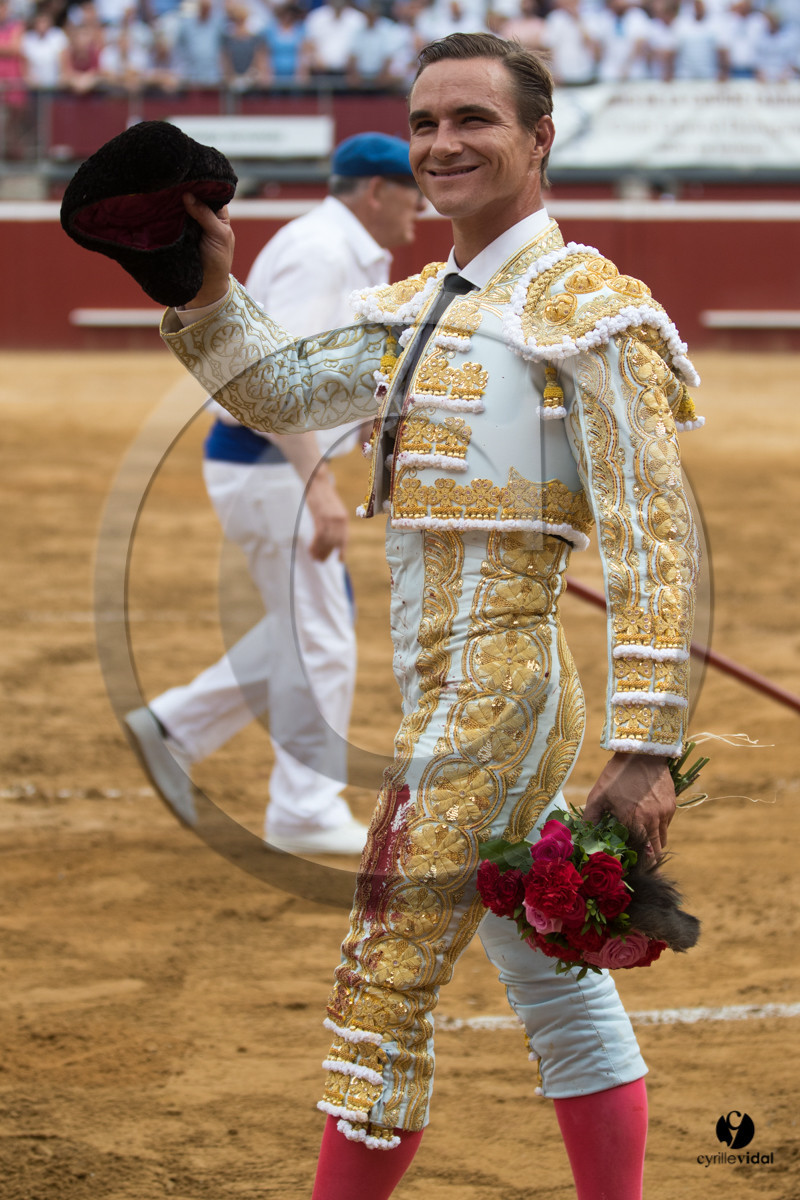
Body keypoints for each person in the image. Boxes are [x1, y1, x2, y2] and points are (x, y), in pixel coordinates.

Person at [157, 32, 702, 1199]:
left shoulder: (587, 307)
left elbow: (654, 542)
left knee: (383, 974)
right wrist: (207, 283)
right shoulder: (419, 303)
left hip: (499, 688)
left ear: (538, 140)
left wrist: (647, 741)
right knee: (547, 968)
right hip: (447, 681)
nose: (442, 144)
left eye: (473, 121)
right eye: (424, 126)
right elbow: (279, 392)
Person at [126, 132, 425, 856]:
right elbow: (271, 381)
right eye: (412, 189)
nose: (423, 206)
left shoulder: (337, 246)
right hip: (269, 469)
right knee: (321, 640)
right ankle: (302, 806)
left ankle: (175, 726)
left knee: (307, 628)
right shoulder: (324, 253)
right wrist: (317, 485)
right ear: (377, 191)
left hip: (269, 470)